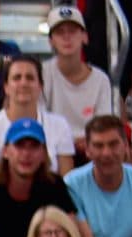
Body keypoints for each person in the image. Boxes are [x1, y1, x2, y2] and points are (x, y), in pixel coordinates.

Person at [0, 56, 76, 174]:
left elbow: (66, 180)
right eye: (17, 78)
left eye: (30, 78)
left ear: (40, 86)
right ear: (6, 87)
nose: (24, 83)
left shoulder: (60, 125)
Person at [42, 3, 115, 137]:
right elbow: (41, 123)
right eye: (60, 32)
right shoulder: (42, 73)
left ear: (85, 37)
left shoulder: (101, 80)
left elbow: (103, 127)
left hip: (92, 148)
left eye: (72, 31)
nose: (67, 37)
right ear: (51, 41)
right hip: (53, 149)